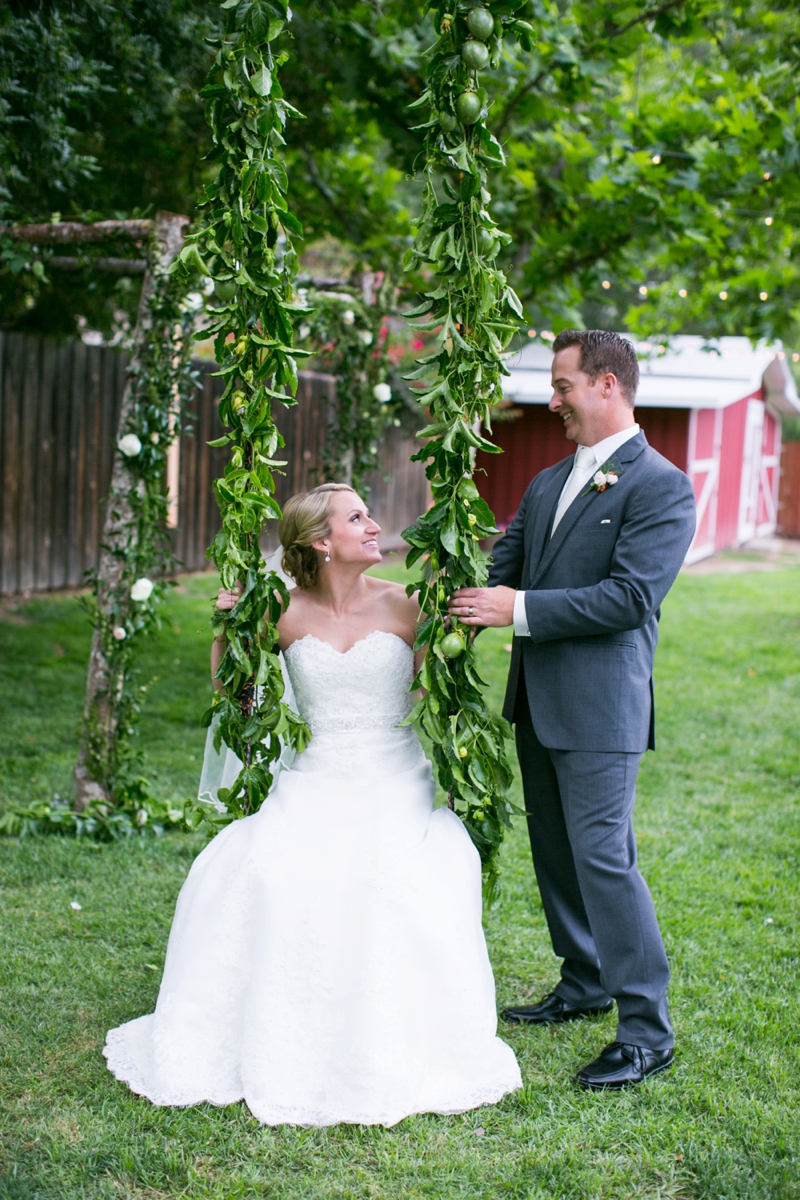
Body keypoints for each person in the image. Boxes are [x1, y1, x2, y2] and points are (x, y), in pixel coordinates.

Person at [104, 482, 521, 1126]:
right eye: (358, 518)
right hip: (313, 774)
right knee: (265, 866)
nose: (376, 525)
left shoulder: (411, 604)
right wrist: (229, 629)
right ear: (323, 543)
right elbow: (232, 695)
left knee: (386, 877)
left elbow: (440, 687)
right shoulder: (282, 612)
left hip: (392, 777)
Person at [449, 330, 696, 1090]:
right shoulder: (548, 481)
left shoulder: (662, 486)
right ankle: (583, 983)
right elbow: (500, 567)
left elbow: (628, 600)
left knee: (602, 859)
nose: (550, 399)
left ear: (608, 386)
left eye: (562, 385)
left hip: (600, 711)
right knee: (556, 854)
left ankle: (647, 1031)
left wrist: (516, 609)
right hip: (538, 704)